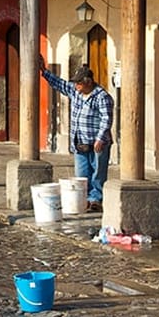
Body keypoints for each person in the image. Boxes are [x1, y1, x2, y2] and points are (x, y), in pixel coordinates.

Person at [40, 64, 114, 212]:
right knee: (81, 174)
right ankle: (83, 199)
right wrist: (44, 71)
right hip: (79, 141)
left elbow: (107, 119)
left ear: (88, 82)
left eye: (79, 82)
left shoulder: (101, 97)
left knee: (98, 173)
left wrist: (100, 138)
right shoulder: (76, 92)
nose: (76, 85)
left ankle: (95, 200)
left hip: (97, 142)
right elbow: (60, 84)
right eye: (75, 82)